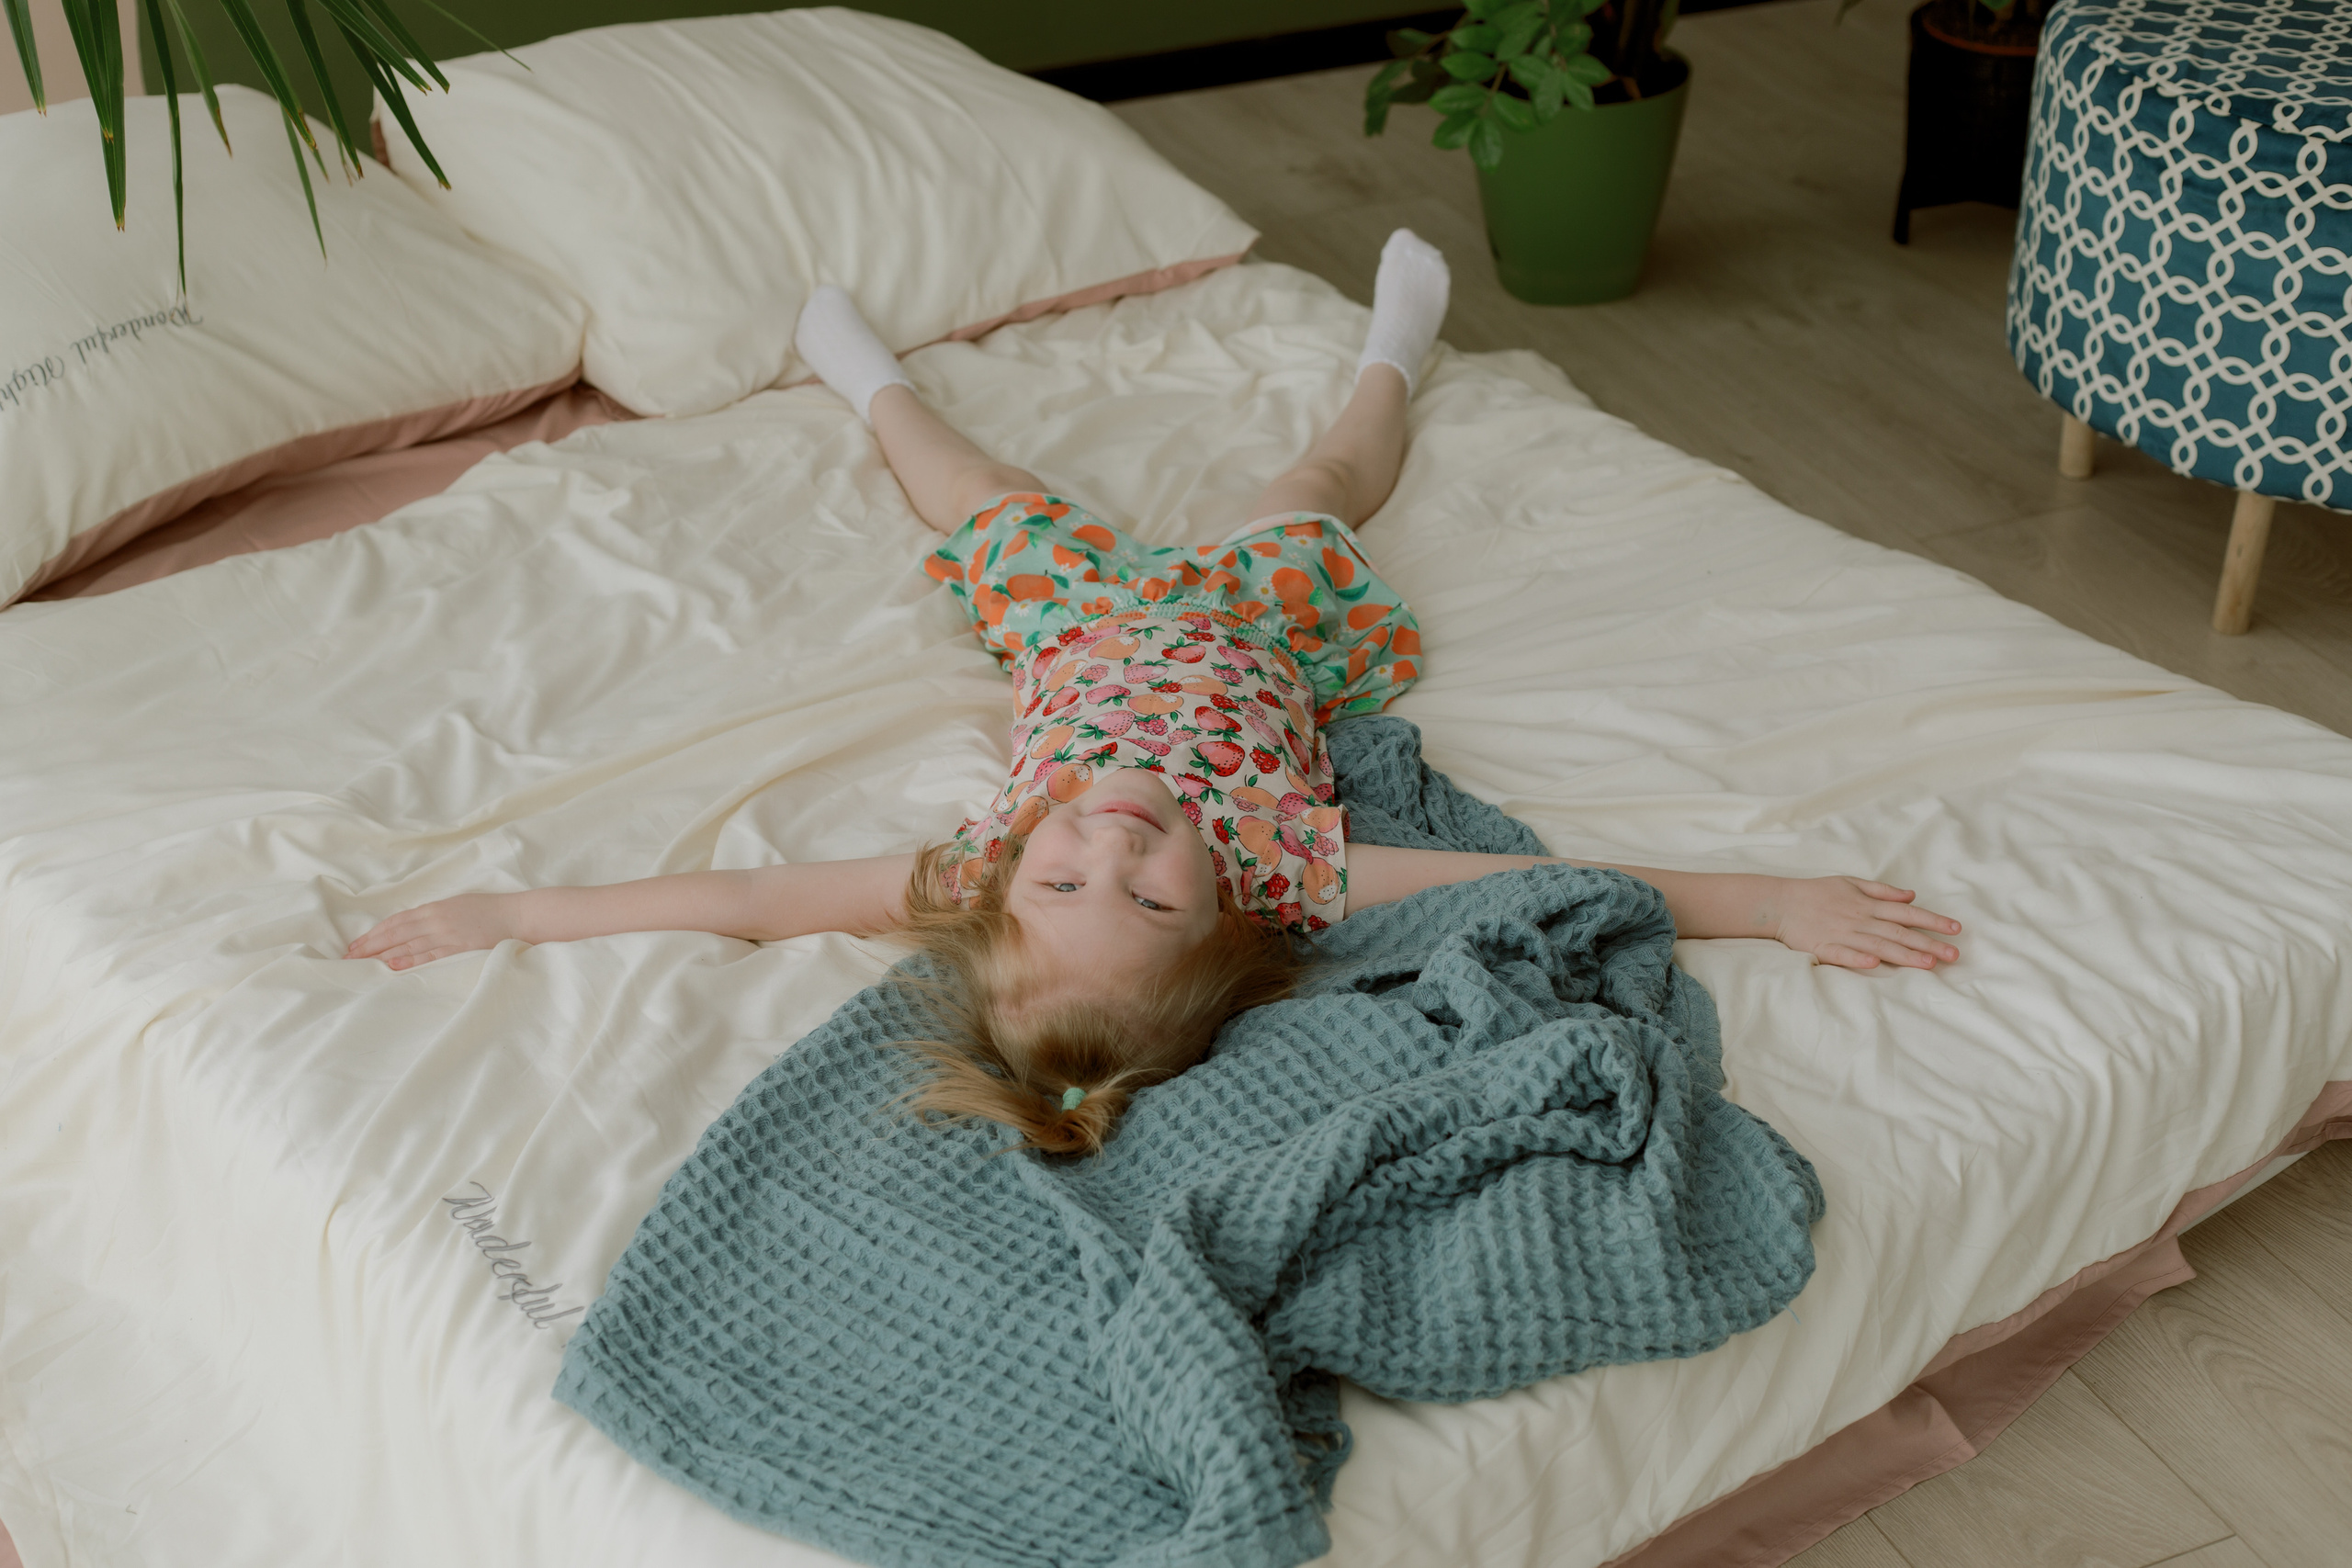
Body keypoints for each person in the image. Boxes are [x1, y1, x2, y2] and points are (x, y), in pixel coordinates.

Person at [347, 231, 1962, 1154]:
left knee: (982, 494)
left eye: (1067, 873)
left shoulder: (975, 878)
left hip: (1083, 627)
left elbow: (759, 896)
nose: (1108, 840)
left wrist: (515, 918)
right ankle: (1393, 355)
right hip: (1254, 629)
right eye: (1143, 883)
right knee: (1321, 479)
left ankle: (869, 382)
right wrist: (1775, 899)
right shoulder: (1295, 874)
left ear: (1005, 890)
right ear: (1231, 921)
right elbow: (1541, 883)